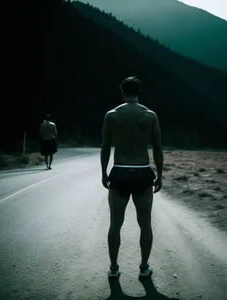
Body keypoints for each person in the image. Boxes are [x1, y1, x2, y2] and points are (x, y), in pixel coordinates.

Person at [100, 76, 164, 279]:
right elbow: (158, 147)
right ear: (139, 92)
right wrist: (160, 175)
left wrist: (104, 172)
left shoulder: (112, 115)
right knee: (145, 224)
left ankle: (113, 268)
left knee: (115, 224)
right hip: (142, 171)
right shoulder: (150, 115)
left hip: (119, 171)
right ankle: (144, 268)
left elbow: (105, 147)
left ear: (122, 92)